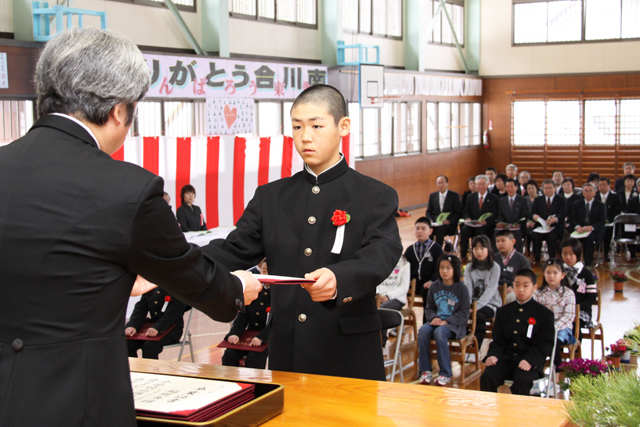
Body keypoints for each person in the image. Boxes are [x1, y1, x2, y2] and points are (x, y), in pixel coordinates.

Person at [0, 28, 262, 427]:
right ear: (120, 110)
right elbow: (198, 283)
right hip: (79, 404)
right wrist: (237, 288)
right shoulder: (128, 189)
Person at [204, 84, 403, 381]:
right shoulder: (271, 197)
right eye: (297, 126)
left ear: (343, 126)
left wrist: (340, 278)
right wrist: (167, 261)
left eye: (316, 125)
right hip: (289, 351)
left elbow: (382, 252)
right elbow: (232, 250)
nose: (305, 137)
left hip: (350, 354)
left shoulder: (374, 194)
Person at [480, 269, 555, 396]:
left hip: (529, 361)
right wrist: (493, 355)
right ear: (512, 286)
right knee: (488, 376)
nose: (521, 289)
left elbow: (545, 344)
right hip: (506, 359)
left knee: (522, 380)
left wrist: (530, 360)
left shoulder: (544, 314)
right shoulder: (503, 311)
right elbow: (498, 340)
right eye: (517, 285)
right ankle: (489, 412)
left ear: (534, 288)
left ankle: (519, 414)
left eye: (526, 286)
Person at [418, 255, 470, 386]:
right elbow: (429, 308)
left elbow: (464, 313)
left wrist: (446, 321)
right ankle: (425, 370)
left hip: (455, 325)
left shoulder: (462, 288)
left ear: (455, 269)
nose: (444, 271)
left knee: (440, 332)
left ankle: (445, 373)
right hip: (436, 322)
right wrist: (434, 318)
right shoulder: (434, 286)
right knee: (423, 330)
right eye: (441, 267)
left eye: (448, 268)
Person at [222, 262, 271, 369]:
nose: (265, 274)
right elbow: (244, 316)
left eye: (269, 271)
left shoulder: (279, 294)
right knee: (229, 354)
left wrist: (262, 337)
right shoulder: (256, 290)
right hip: (251, 335)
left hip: (271, 337)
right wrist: (234, 333)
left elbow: (278, 322)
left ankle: (255, 385)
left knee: (254, 357)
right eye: (263, 271)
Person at [534, 260, 577, 369]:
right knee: (535, 342)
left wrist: (554, 327)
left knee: (553, 341)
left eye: (555, 273)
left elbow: (568, 316)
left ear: (562, 275)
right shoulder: (538, 293)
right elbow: (535, 313)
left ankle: (557, 374)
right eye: (548, 273)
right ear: (544, 274)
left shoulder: (568, 293)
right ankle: (538, 371)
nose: (551, 276)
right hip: (542, 328)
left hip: (562, 329)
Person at [125, 287, 186, 359]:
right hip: (152, 326)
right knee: (127, 342)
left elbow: (174, 313)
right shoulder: (151, 286)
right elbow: (141, 308)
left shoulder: (177, 286)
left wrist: (157, 328)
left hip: (171, 328)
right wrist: (132, 326)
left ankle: (150, 370)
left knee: (149, 346)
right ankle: (132, 369)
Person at [463, 236, 501, 350]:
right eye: (475, 248)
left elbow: (491, 290)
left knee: (479, 315)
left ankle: (475, 349)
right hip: (473, 303)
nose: (478, 251)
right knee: (459, 313)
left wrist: (477, 306)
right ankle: (466, 342)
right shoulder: (469, 267)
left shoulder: (495, 267)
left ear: (488, 249)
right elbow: (467, 287)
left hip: (490, 304)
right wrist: (468, 305)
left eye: (482, 248)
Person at [404, 218, 444, 322]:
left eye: (423, 228)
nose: (420, 231)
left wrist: (432, 281)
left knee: (428, 292)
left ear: (430, 231)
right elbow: (403, 268)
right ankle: (399, 324)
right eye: (417, 228)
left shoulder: (437, 249)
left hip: (428, 283)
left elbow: (440, 268)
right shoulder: (410, 250)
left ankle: (427, 323)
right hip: (412, 283)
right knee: (397, 293)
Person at [559, 238, 597, 337]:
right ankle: (558, 349)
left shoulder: (586, 273)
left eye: (571, 254)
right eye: (564, 253)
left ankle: (576, 350)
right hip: (560, 309)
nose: (568, 257)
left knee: (575, 324)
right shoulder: (558, 271)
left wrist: (575, 308)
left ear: (578, 253)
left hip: (580, 311)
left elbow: (591, 298)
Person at [461, 174, 499, 261]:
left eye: (483, 184)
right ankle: (463, 255)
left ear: (487, 184)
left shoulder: (494, 198)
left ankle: (480, 255)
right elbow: (466, 211)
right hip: (472, 224)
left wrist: (486, 222)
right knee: (464, 229)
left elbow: (495, 213)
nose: (481, 186)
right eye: (479, 184)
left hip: (485, 225)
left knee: (480, 231)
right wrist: (467, 218)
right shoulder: (471, 197)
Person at [568, 183, 606, 267]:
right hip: (579, 230)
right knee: (571, 240)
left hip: (593, 231)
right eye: (586, 191)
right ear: (582, 193)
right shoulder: (576, 204)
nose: (588, 193)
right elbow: (572, 218)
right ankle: (574, 262)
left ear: (595, 192)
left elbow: (602, 221)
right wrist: (577, 227)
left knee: (588, 239)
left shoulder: (600, 205)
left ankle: (588, 264)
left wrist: (592, 227)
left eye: (590, 191)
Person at [531, 179, 567, 266]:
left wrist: (555, 219)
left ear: (555, 188)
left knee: (551, 235)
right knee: (536, 235)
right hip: (541, 226)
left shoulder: (561, 200)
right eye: (546, 188)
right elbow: (532, 213)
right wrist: (534, 217)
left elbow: (563, 214)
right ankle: (537, 259)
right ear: (542, 189)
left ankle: (552, 258)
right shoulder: (538, 200)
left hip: (555, 226)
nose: (548, 190)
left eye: (550, 188)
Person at [377, 255, 411, 345]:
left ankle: (382, 344)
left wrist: (388, 296)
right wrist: (378, 294)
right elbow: (375, 281)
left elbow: (404, 287)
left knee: (382, 311)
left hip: (396, 298)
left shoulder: (405, 264)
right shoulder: (379, 261)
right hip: (378, 297)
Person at [425, 175, 463, 247]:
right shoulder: (433, 196)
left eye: (442, 183)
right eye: (438, 183)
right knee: (428, 229)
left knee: (440, 230)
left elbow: (459, 213)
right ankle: (428, 249)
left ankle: (438, 252)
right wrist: (430, 220)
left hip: (449, 225)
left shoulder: (454, 196)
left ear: (447, 184)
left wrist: (450, 221)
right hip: (436, 223)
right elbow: (428, 211)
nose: (440, 185)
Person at [495, 229, 531, 304]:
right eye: (497, 241)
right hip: (494, 291)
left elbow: (528, 279)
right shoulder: (493, 259)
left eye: (503, 241)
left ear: (513, 241)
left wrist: (514, 287)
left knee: (513, 297)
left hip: (513, 291)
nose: (500, 244)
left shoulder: (522, 260)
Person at [495, 178, 530, 253]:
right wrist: (500, 222)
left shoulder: (522, 200)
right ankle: (497, 256)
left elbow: (525, 215)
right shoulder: (501, 200)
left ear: (516, 187)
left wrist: (518, 224)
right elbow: (500, 214)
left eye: (511, 187)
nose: (509, 189)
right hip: (505, 226)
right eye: (507, 187)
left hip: (517, 227)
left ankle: (517, 256)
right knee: (496, 232)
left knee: (516, 233)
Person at [597, 177, 622, 262]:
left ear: (609, 186)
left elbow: (617, 211)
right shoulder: (595, 196)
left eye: (604, 185)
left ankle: (605, 253)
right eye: (600, 185)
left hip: (610, 223)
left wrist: (608, 219)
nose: (602, 187)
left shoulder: (615, 197)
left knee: (606, 232)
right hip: (596, 223)